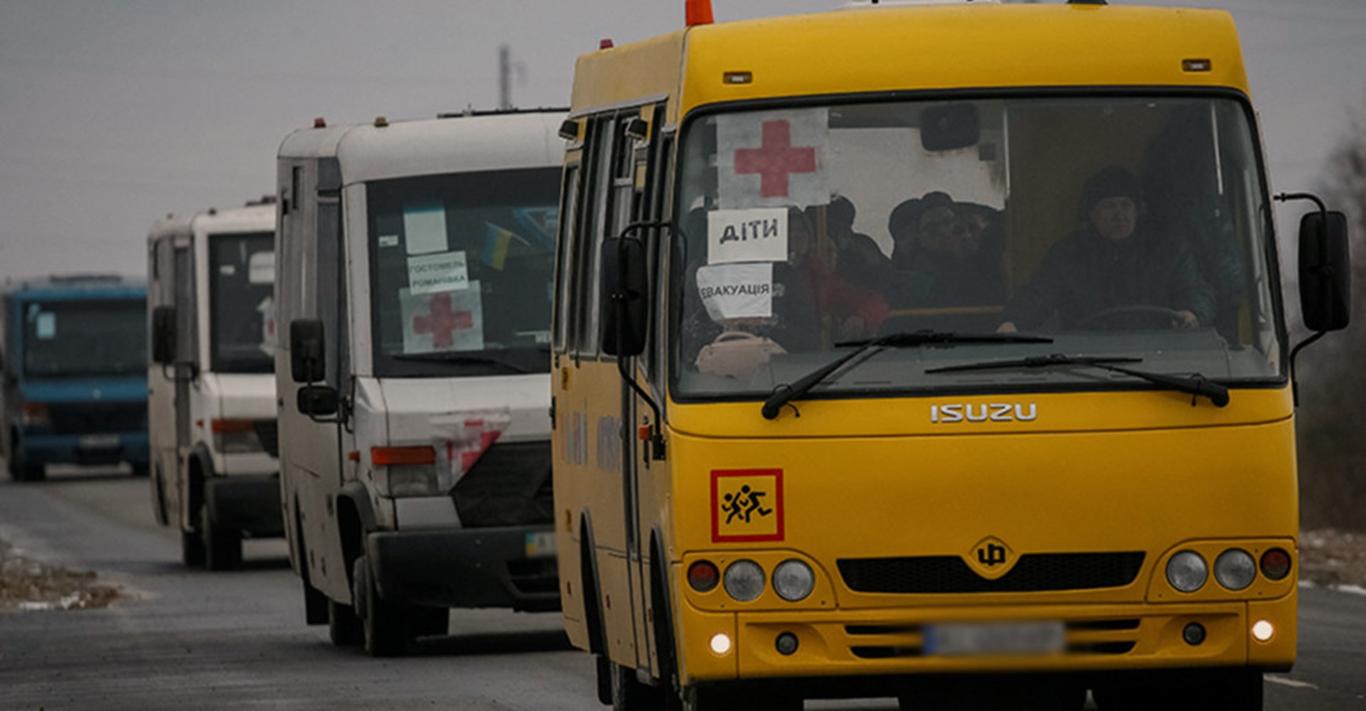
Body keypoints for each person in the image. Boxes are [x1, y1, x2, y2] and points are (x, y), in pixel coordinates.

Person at [998, 166, 1214, 333]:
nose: (1119, 215)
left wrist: (1193, 312)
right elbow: (1039, 293)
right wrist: (1013, 322)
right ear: (1092, 214)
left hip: (1161, 355)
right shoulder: (1069, 254)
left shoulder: (1168, 249)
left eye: (1126, 204)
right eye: (1109, 206)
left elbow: (1194, 289)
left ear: (1137, 211)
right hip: (1086, 358)